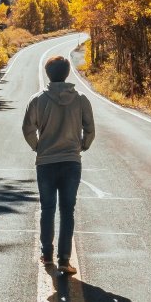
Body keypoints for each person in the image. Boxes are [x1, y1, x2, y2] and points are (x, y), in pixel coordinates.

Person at [22, 55, 95, 275]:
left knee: (47, 208)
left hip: (46, 162)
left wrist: (38, 147)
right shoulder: (81, 99)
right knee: (67, 210)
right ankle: (64, 259)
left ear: (48, 74)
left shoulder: (37, 100)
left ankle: (46, 254)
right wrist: (83, 146)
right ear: (67, 72)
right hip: (71, 162)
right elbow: (90, 129)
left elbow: (27, 129)